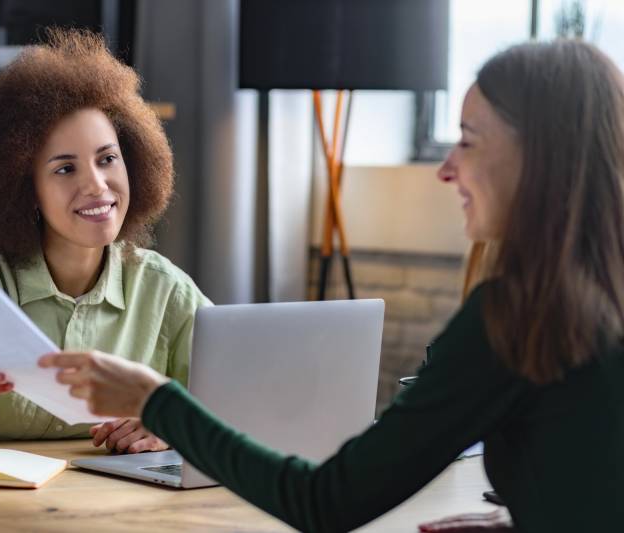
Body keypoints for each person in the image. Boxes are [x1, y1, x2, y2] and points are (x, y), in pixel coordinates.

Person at [39, 39, 624, 532]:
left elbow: (323, 502)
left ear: (538, 159)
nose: (448, 167)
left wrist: (153, 400)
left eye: (469, 139)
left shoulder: (520, 317)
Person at [0, 28, 210, 454]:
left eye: (108, 159)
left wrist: (173, 426)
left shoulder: (166, 290)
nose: (97, 185)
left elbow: (229, 406)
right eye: (64, 169)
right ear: (25, 188)